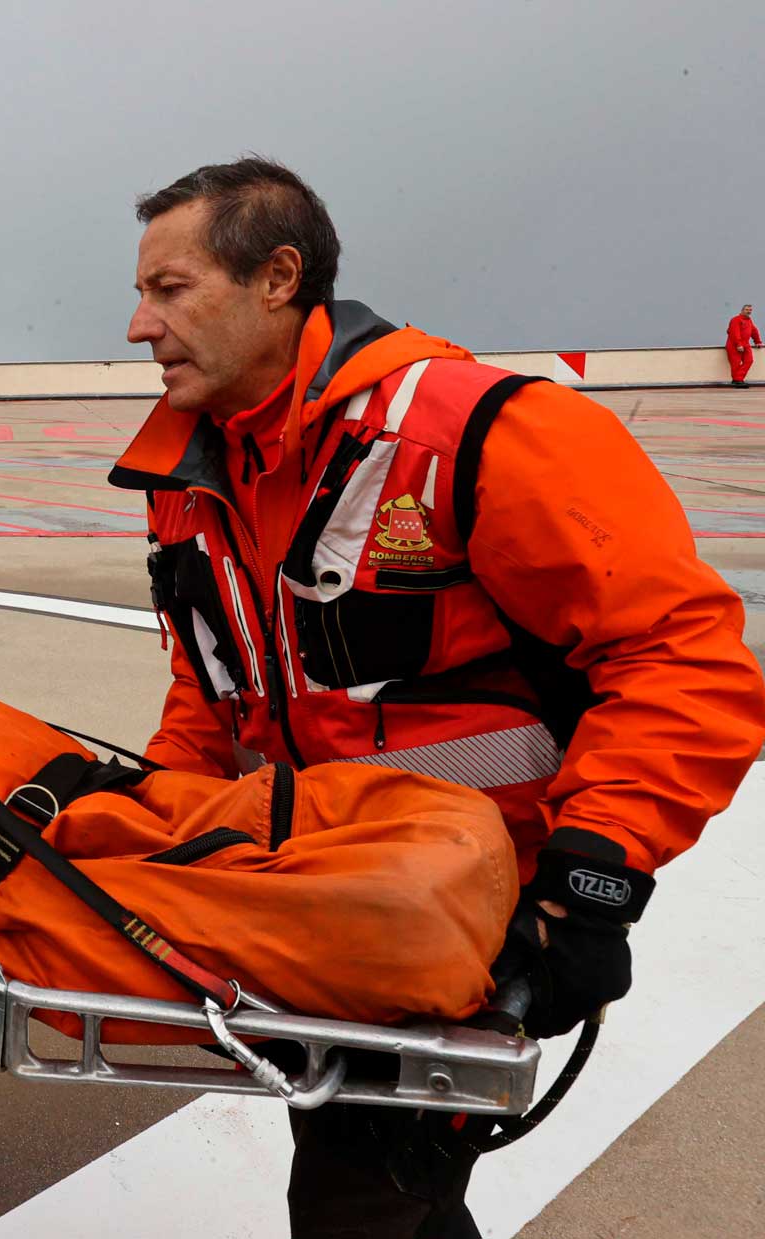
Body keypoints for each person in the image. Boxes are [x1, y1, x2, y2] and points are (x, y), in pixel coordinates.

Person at [112, 157, 765, 1237]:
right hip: (321, 903)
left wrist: (593, 877)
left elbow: (678, 657)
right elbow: (209, 695)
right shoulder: (195, 477)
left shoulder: (481, 432)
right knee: (361, 1186)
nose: (139, 325)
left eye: (168, 289)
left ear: (277, 278)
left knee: (363, 1200)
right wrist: (150, 838)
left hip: (470, 912)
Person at [728, 303, 760, 386]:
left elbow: (754, 331)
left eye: (750, 310)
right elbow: (735, 333)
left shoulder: (749, 320)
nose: (749, 311)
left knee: (749, 360)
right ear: (742, 310)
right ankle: (737, 381)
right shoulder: (736, 320)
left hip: (746, 344)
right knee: (736, 363)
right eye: (747, 310)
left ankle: (737, 379)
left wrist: (757, 341)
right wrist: (739, 344)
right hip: (734, 345)